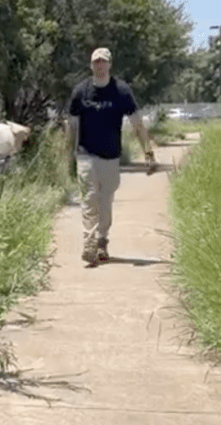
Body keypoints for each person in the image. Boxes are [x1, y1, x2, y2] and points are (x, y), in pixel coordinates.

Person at [65, 47, 157, 267]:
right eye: (96, 62)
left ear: (109, 65)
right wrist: (68, 154)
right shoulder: (81, 91)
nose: (99, 66)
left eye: (103, 62)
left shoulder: (121, 91)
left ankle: (102, 240)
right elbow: (71, 126)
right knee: (88, 198)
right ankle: (89, 243)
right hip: (86, 154)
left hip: (111, 156)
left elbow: (137, 123)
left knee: (105, 200)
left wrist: (148, 151)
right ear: (91, 65)